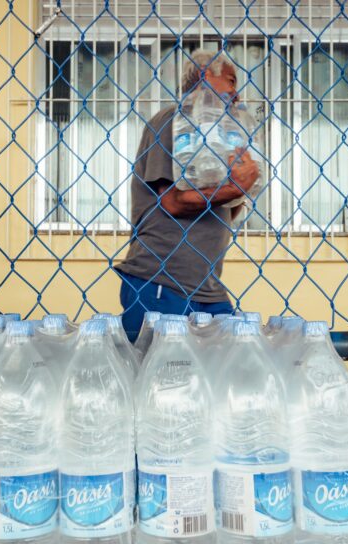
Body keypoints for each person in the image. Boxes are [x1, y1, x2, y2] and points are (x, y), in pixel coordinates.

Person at [115, 50, 261, 341]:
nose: (237, 94)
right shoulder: (175, 120)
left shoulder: (215, 136)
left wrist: (238, 190)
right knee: (162, 376)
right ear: (206, 75)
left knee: (219, 372)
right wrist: (235, 188)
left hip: (206, 285)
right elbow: (172, 202)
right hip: (161, 281)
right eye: (231, 81)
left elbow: (223, 212)